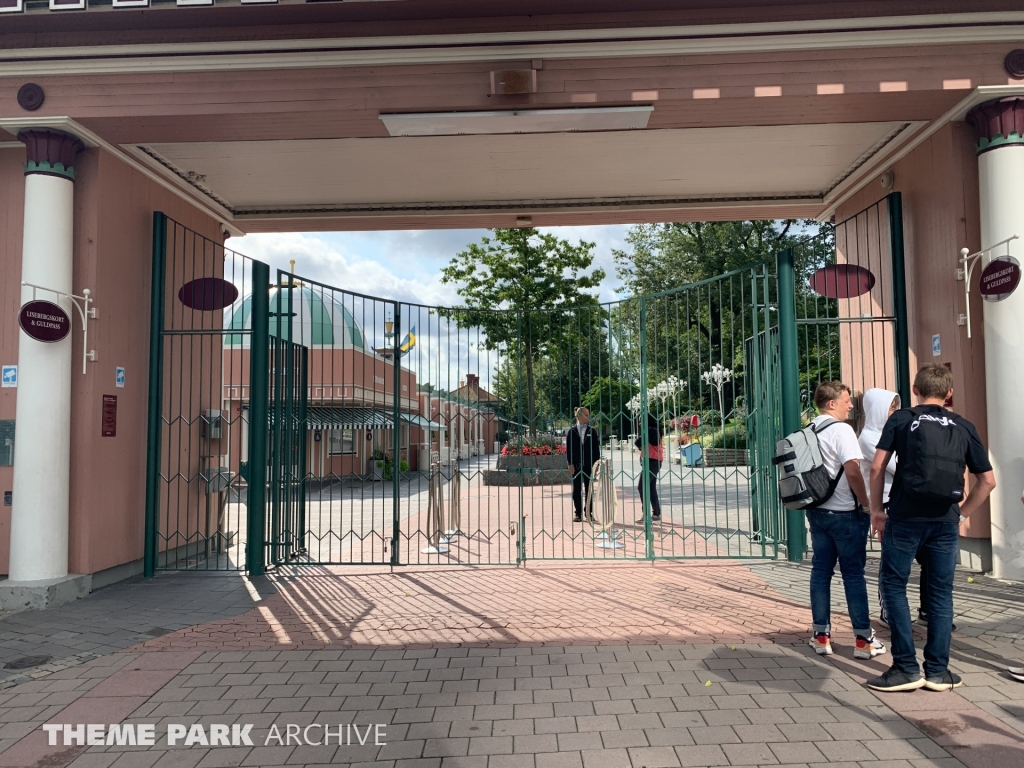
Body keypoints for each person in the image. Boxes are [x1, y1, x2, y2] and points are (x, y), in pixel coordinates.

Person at [867, 364, 995, 692]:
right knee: (940, 594)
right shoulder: (964, 426)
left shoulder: (901, 419)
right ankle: (937, 671)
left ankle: (905, 668)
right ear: (949, 393)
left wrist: (877, 511)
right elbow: (987, 481)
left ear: (915, 389)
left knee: (894, 586)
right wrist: (961, 514)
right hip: (945, 521)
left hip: (905, 518)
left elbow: (878, 466)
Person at [806, 381, 886, 660]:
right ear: (831, 403)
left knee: (820, 571)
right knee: (853, 575)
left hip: (817, 511)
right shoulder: (842, 430)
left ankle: (821, 636)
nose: (851, 405)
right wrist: (867, 504)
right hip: (845, 514)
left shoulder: (809, 429)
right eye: (846, 400)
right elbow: (853, 471)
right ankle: (863, 639)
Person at [566, 407, 601, 523]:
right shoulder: (572, 431)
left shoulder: (592, 431)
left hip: (589, 464)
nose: (588, 417)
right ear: (579, 416)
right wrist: (570, 463)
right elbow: (569, 449)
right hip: (576, 465)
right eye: (586, 415)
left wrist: (597, 464)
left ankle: (589, 513)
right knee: (576, 490)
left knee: (589, 489)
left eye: (588, 414)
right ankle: (578, 514)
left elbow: (596, 450)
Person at [635, 412, 664, 523]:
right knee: (651, 487)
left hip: (652, 462)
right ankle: (656, 514)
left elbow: (637, 441)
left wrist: (641, 446)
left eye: (642, 421)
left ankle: (646, 514)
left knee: (641, 487)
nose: (641, 423)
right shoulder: (655, 430)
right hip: (654, 461)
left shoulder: (652, 430)